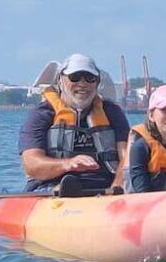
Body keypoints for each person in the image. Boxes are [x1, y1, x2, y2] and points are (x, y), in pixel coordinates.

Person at [19, 53, 130, 193]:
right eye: (75, 77)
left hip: (105, 187)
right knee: (60, 188)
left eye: (90, 78)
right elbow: (32, 164)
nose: (82, 84)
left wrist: (117, 185)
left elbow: (127, 156)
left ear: (97, 83)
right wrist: (69, 164)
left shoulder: (112, 112)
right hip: (51, 187)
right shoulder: (41, 114)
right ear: (60, 81)